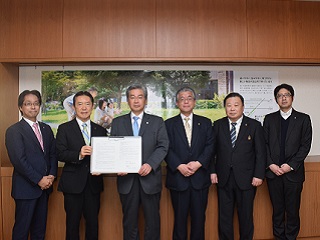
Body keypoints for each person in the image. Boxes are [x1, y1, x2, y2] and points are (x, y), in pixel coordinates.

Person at [110, 84, 169, 240]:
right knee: (129, 223)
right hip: (127, 181)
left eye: (140, 97)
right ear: (127, 100)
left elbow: (163, 146)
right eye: (132, 97)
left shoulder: (157, 122)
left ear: (146, 100)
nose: (136, 101)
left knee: (153, 222)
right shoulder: (118, 122)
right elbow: (113, 148)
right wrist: (118, 165)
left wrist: (150, 164)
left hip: (150, 180)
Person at [210, 92, 266, 240]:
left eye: (236, 105)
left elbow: (261, 153)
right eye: (229, 105)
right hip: (224, 178)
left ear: (243, 107)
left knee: (246, 216)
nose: (232, 109)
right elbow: (211, 151)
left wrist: (259, 175)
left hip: (247, 179)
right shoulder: (218, 125)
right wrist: (212, 172)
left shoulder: (254, 126)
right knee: (224, 217)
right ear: (225, 108)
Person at [5, 90, 57, 240]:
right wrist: (39, 179)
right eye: (28, 104)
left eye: (36, 103)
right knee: (21, 231)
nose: (33, 107)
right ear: (21, 107)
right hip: (26, 189)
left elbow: (52, 154)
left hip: (44, 189)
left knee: (39, 231)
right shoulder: (14, 131)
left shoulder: (46, 129)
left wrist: (52, 175)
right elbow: (19, 161)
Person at [263, 83, 312, 240]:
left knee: (292, 210)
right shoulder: (269, 119)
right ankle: (279, 237)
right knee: (277, 211)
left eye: (286, 95)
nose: (283, 98)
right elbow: (264, 144)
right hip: (273, 173)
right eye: (279, 95)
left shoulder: (303, 119)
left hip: (293, 174)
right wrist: (271, 164)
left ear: (292, 97)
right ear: (276, 99)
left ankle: (291, 238)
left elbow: (305, 146)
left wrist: (289, 166)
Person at [56, 91, 107, 240]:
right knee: (72, 225)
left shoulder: (101, 130)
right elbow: (59, 153)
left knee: (93, 224)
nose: (84, 108)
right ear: (74, 107)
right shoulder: (64, 128)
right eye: (80, 104)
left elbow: (105, 156)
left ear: (92, 106)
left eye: (87, 104)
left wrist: (102, 168)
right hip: (72, 186)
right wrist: (78, 154)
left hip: (93, 184)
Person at [165, 87, 214, 240]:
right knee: (179, 220)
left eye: (189, 98)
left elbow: (210, 146)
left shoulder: (205, 123)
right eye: (182, 98)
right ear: (177, 103)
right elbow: (165, 147)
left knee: (199, 220)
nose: (186, 101)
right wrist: (179, 165)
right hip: (178, 180)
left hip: (200, 179)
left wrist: (199, 163)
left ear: (194, 101)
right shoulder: (168, 124)